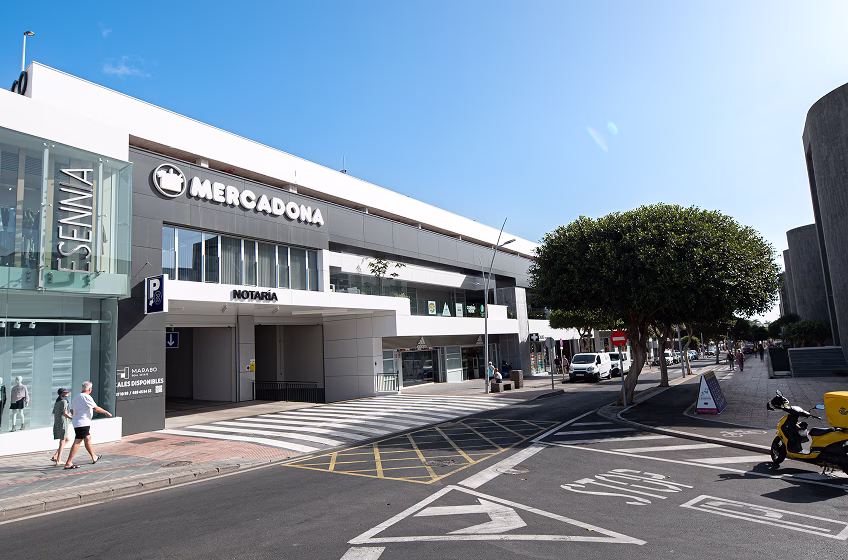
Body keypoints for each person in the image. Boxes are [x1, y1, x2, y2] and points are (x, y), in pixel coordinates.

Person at [64, 381, 112, 470]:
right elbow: (96, 408)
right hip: (83, 422)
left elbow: (71, 409)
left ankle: (94, 456)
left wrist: (76, 416)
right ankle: (68, 462)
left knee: (87, 438)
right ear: (90, 389)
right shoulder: (86, 397)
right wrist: (106, 412)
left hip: (78, 422)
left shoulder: (75, 397)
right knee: (78, 441)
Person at [51, 388, 73, 466]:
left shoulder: (57, 402)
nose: (67, 393)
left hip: (58, 422)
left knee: (67, 439)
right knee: (62, 441)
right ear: (62, 393)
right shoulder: (64, 401)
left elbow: (54, 413)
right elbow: (65, 413)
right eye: (65, 392)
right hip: (63, 422)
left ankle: (56, 456)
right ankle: (58, 460)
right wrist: (72, 418)